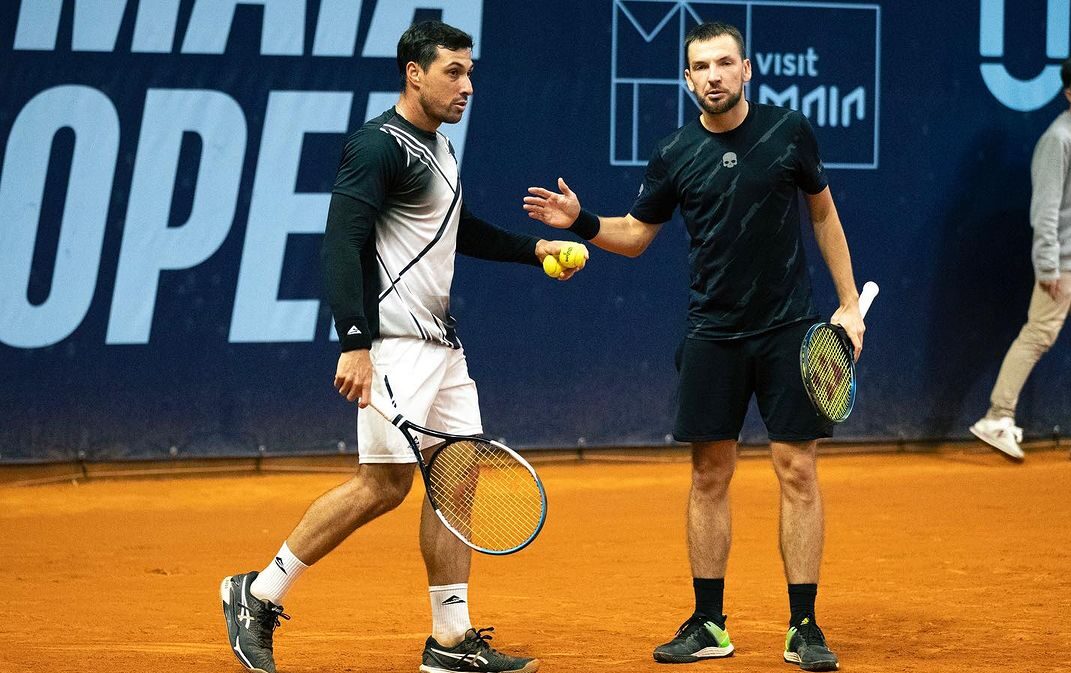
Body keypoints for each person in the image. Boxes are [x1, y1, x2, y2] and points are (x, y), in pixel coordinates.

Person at [220, 20, 583, 673]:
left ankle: (449, 640)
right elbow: (342, 241)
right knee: (382, 484)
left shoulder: (440, 149)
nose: (467, 84)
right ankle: (257, 591)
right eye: (453, 71)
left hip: (443, 344)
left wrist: (535, 249)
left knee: (455, 481)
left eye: (470, 72)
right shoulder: (377, 146)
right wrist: (353, 342)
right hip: (391, 344)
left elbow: (456, 228)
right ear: (414, 73)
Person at [523, 21, 863, 672]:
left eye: (724, 63)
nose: (713, 75)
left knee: (798, 471)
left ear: (747, 70)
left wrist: (848, 304)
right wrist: (583, 223)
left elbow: (823, 212)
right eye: (700, 66)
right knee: (709, 475)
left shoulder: (788, 131)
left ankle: (803, 625)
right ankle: (709, 622)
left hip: (789, 328)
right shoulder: (675, 153)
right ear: (686, 80)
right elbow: (635, 234)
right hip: (713, 333)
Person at [970, 54, 1071, 463]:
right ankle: (996, 417)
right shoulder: (1059, 139)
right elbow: (1046, 209)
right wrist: (1048, 264)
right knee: (1038, 336)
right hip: (1062, 264)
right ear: (1070, 93)